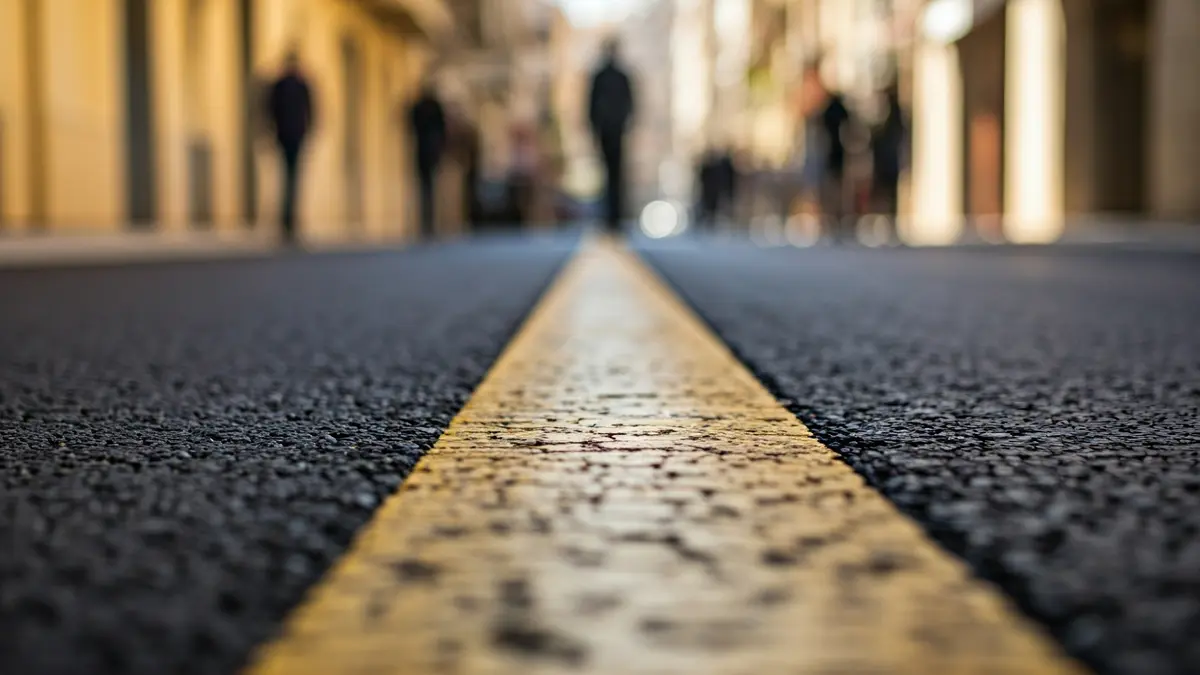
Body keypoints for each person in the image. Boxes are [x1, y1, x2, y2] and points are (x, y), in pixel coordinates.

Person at [267, 51, 315, 245]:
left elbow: (310, 110)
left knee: (290, 178)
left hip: (292, 135)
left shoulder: (287, 85)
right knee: (290, 178)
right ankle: (287, 221)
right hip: (290, 135)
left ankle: (290, 221)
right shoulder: (290, 85)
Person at [588, 38, 635, 234]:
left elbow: (630, 103)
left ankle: (615, 216)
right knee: (611, 174)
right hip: (610, 130)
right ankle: (610, 216)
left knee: (614, 174)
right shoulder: (603, 76)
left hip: (614, 130)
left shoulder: (612, 76)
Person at [408, 82, 447, 238]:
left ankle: (427, 221)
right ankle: (427, 222)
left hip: (425, 150)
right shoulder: (432, 107)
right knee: (428, 186)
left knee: (425, 186)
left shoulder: (421, 107)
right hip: (430, 151)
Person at [871, 85, 908, 227]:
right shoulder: (887, 118)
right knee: (885, 190)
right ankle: (886, 218)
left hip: (889, 162)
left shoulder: (894, 119)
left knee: (889, 190)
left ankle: (890, 218)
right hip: (886, 162)